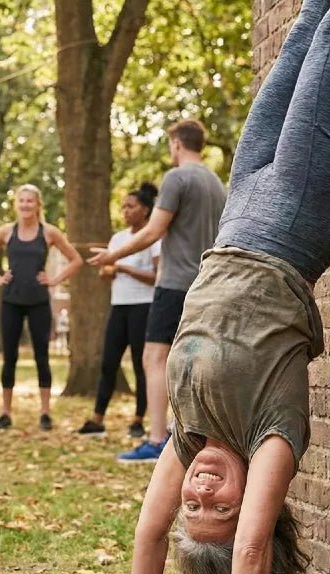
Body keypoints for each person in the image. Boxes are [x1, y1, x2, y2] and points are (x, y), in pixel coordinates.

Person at [127, 0, 330, 574]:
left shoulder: (189, 437)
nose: (203, 491)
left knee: (303, 25)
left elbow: (151, 531)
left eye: (196, 505)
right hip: (300, 218)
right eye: (222, 507)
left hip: (240, 212)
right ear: (254, 515)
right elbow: (246, 555)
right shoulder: (275, 436)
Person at [88, 119, 226, 463]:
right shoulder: (216, 183)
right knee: (195, 361)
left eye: (170, 145)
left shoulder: (177, 178)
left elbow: (152, 231)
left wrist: (112, 254)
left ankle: (156, 439)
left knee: (154, 358)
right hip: (206, 283)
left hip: (174, 284)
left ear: (177, 144)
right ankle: (194, 438)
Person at [0, 184, 83, 431]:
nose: (25, 205)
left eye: (30, 201)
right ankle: (5, 412)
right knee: (9, 358)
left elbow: (76, 259)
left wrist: (55, 280)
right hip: (11, 301)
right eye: (21, 201)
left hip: (38, 302)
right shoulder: (6, 232)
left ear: (38, 205)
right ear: (16, 204)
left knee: (41, 357)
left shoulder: (49, 233)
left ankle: (45, 413)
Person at [77, 183, 161, 439]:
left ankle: (137, 420)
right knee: (108, 362)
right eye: (123, 206)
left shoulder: (152, 238)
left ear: (145, 210)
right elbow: (106, 272)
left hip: (143, 308)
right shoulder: (118, 239)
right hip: (119, 306)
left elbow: (156, 276)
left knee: (140, 364)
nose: (125, 211)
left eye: (131, 206)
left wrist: (121, 267)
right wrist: (108, 271)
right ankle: (97, 419)